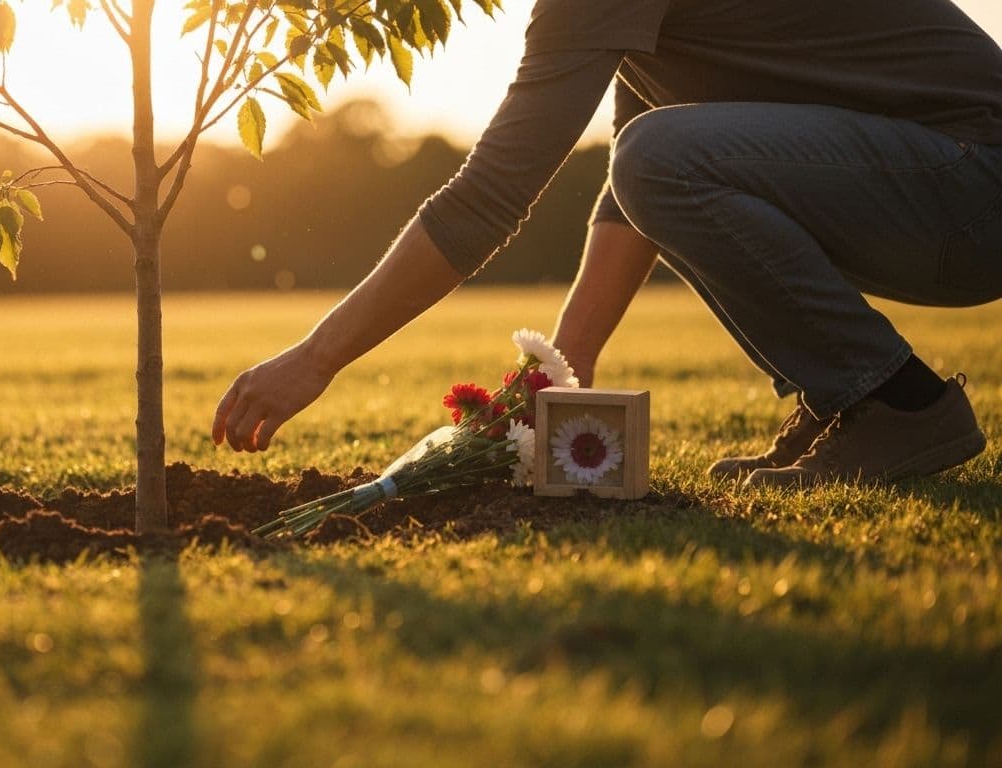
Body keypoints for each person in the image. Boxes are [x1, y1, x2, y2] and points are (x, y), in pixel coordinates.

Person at [212, 0, 1002, 487]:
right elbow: (637, 194)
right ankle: (850, 399)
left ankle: (896, 403)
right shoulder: (643, 25)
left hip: (975, 182)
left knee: (660, 156)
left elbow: (491, 197)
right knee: (656, 157)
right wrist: (567, 366)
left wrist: (316, 357)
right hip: (945, 189)